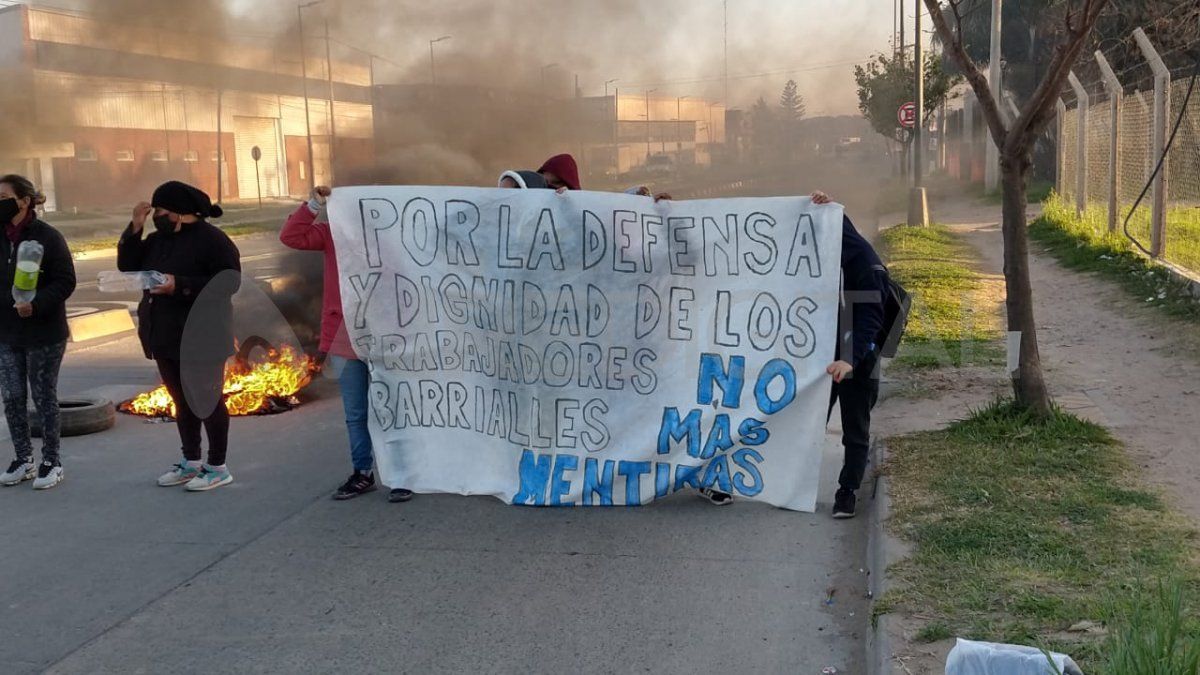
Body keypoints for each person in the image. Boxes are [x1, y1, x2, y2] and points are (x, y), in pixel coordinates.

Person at [699, 192, 886, 519]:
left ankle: (848, 492)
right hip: (819, 358)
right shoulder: (817, 260)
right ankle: (786, 486)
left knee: (855, 429)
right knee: (802, 425)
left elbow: (870, 317)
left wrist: (849, 359)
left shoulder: (863, 263)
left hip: (855, 359)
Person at [280, 186, 414, 503]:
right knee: (356, 412)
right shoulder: (331, 235)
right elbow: (292, 236)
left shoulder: (391, 240)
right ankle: (362, 472)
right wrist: (314, 203)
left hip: (385, 335)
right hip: (344, 336)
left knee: (391, 410)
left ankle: (402, 476)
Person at [118, 181, 241, 492]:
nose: (157, 216)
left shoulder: (213, 241)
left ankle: (217, 466)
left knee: (206, 401)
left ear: (183, 213)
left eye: (161, 211)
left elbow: (229, 282)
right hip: (164, 334)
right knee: (181, 402)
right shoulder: (159, 240)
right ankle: (191, 461)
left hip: (203, 336)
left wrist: (181, 285)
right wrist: (135, 227)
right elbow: (128, 264)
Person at [0, 175, 76, 490]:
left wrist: (37, 303)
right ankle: (23, 459)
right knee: (13, 397)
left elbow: (65, 280)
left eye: (4, 196)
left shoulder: (48, 237)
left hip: (44, 333)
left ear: (25, 200)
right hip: (7, 333)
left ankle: (51, 461)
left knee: (43, 397)